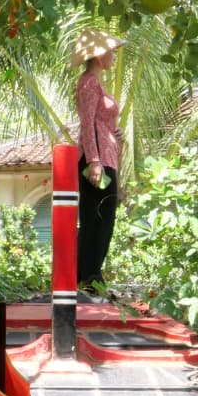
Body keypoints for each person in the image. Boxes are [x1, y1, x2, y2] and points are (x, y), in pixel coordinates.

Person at [70, 28, 126, 289]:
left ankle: (91, 275)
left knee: (105, 219)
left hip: (107, 157)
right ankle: (88, 277)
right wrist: (93, 160)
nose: (114, 56)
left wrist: (114, 131)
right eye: (111, 51)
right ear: (99, 54)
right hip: (98, 161)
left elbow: (100, 122)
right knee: (96, 220)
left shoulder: (97, 82)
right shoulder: (89, 82)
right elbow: (86, 123)